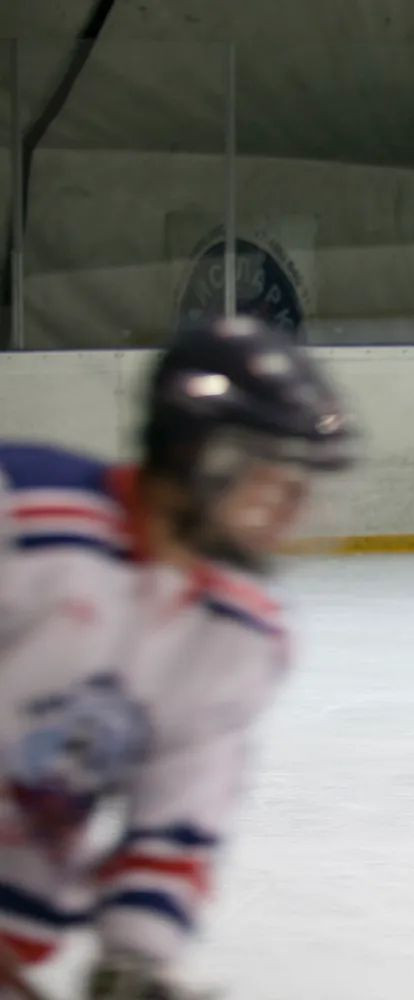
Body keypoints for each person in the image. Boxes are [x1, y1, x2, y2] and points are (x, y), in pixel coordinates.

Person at [0, 317, 355, 998]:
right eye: (279, 477)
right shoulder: (26, 517)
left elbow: (178, 817)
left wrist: (135, 962)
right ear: (204, 456)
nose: (296, 508)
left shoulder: (238, 637)